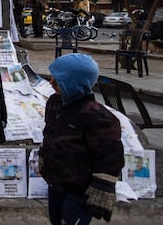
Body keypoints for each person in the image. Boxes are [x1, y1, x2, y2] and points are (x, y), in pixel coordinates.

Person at [40, 53, 123, 224]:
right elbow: (49, 132)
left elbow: (110, 156)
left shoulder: (98, 117)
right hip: (56, 183)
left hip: (79, 190)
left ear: (74, 83)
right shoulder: (55, 103)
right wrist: (43, 154)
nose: (51, 83)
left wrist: (104, 186)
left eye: (58, 80)